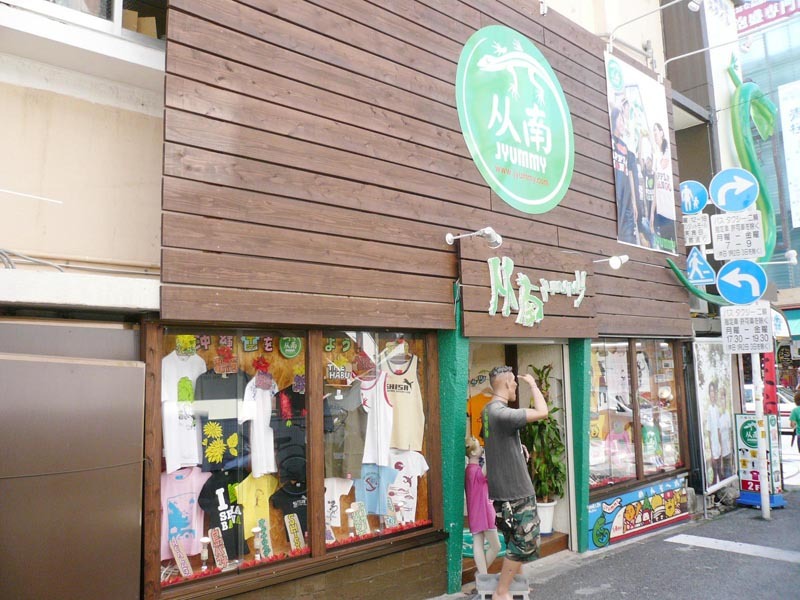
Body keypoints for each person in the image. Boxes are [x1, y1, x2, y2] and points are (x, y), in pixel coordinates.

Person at [480, 366, 549, 600]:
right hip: (515, 490)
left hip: (502, 491)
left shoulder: (487, 411)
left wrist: (517, 447)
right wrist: (533, 384)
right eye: (515, 383)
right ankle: (502, 591)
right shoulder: (502, 413)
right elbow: (542, 412)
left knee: (513, 538)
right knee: (526, 541)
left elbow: (496, 441)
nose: (517, 386)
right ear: (508, 384)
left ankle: (517, 583)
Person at [465, 437, 501, 576]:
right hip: (484, 512)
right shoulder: (476, 471)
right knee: (496, 546)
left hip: (474, 512)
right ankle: (482, 575)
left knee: (478, 544)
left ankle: (482, 576)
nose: (482, 448)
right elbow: (489, 463)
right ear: (473, 453)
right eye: (479, 447)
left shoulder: (469, 471)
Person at [611, 105, 638, 246]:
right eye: (620, 120)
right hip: (616, 198)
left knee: (628, 241)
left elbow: (630, 175)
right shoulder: (610, 141)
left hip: (626, 200)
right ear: (614, 120)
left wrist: (634, 202)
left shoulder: (625, 147)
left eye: (623, 120)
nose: (623, 123)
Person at [651, 122, 677, 252]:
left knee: (673, 248)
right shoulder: (656, 156)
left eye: (656, 130)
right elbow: (656, 189)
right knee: (664, 250)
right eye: (653, 131)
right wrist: (652, 214)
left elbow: (663, 165)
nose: (654, 133)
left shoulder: (667, 153)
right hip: (660, 213)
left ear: (662, 132)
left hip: (671, 212)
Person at [707, 381, 722, 485]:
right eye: (711, 391)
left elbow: (718, 429)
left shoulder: (716, 408)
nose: (713, 394)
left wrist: (720, 446)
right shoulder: (708, 409)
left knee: (720, 473)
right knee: (714, 474)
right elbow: (708, 432)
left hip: (718, 446)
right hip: (713, 447)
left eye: (714, 391)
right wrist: (711, 451)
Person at [719, 386, 733, 479]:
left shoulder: (727, 414)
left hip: (727, 451)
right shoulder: (718, 416)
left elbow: (729, 432)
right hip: (720, 453)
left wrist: (731, 448)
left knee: (728, 474)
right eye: (720, 398)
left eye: (723, 398)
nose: (722, 401)